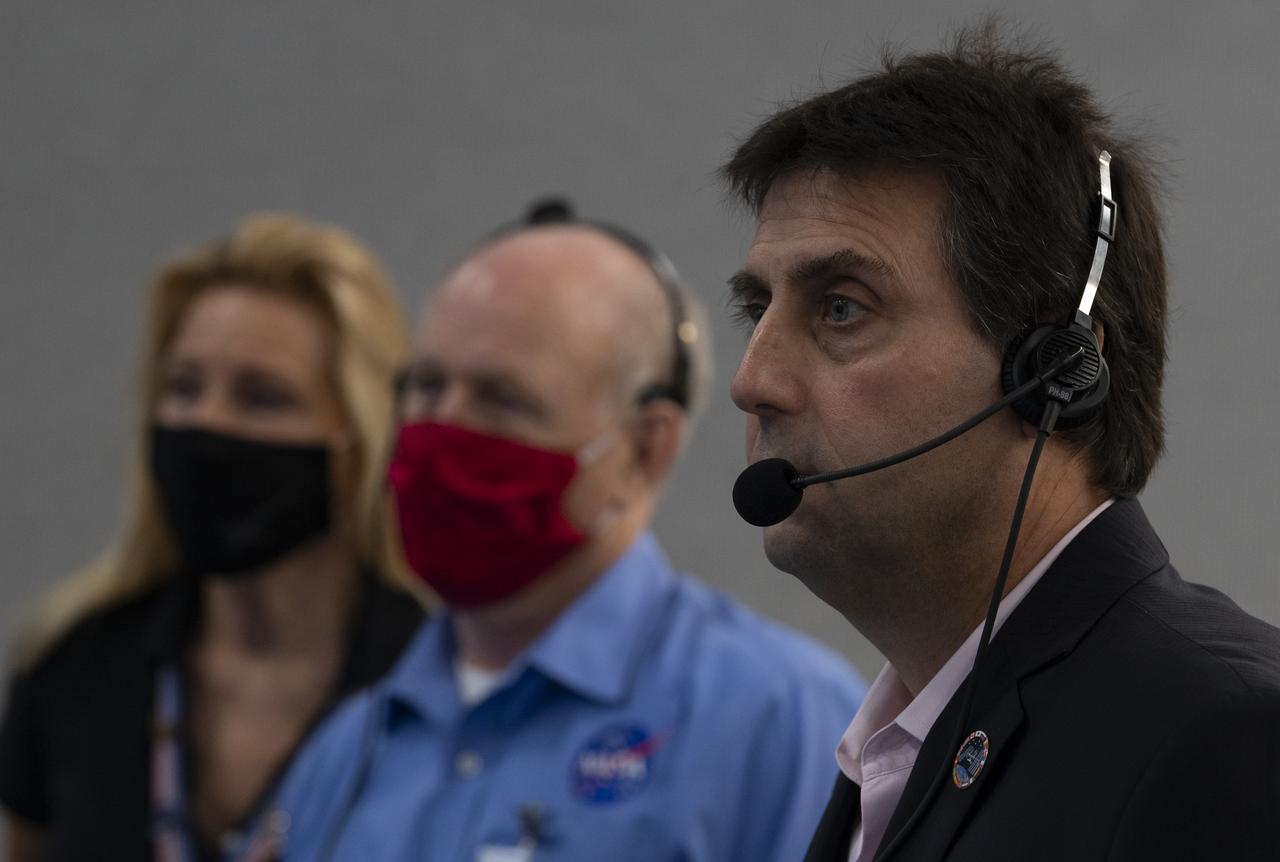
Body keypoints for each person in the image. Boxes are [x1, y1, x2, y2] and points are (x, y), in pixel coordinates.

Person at [720, 20, 1280, 861]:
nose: (752, 382)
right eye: (758, 311)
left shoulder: (1227, 735)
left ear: (1054, 369)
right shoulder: (895, 748)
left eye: (841, 307)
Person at [275, 201, 866, 862]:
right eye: (426, 386)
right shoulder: (351, 747)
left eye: (503, 398)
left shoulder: (776, 719)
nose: (443, 429)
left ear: (643, 451)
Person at [0, 214, 427, 861]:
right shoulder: (75, 664)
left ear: (357, 442)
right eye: (183, 388)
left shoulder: (433, 683)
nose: (205, 423)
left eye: (262, 397)